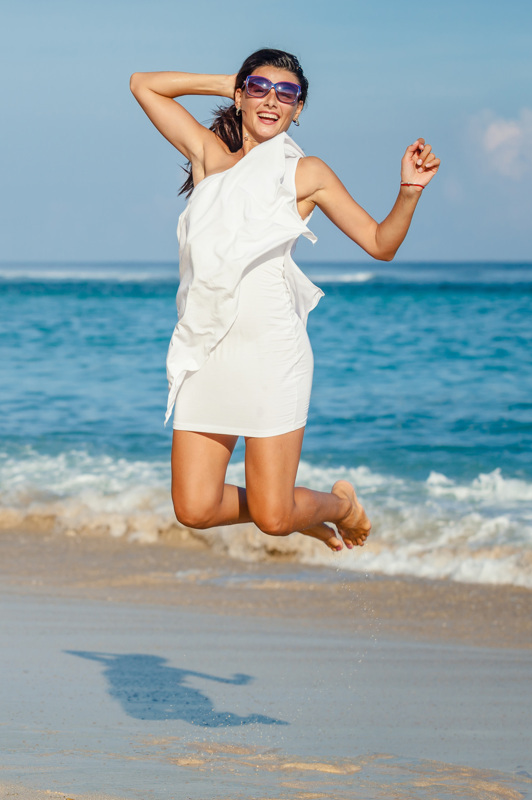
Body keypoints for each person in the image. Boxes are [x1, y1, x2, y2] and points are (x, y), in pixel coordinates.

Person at [129, 49, 439, 551]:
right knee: (194, 507)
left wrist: (409, 190)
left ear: (299, 109)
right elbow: (144, 83)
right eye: (260, 88)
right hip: (206, 352)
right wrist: (233, 80)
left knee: (274, 519)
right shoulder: (210, 157)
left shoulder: (305, 173)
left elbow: (381, 244)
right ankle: (296, 510)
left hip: (271, 352)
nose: (273, 99)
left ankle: (340, 507)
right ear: (240, 95)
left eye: (287, 93)